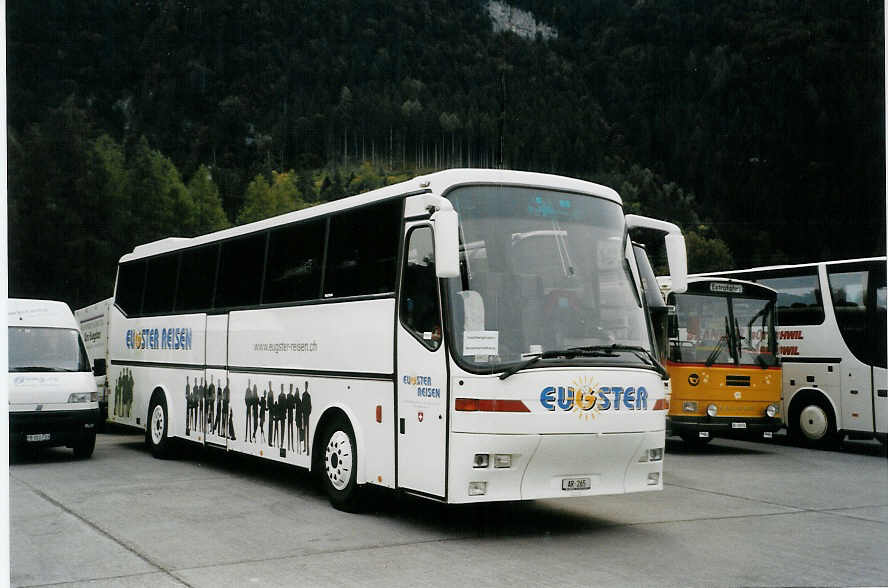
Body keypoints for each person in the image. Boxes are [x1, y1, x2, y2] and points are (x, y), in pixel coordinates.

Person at [301, 381, 312, 456]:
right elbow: (303, 405)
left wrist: (308, 412)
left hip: (306, 415)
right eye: (305, 385)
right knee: (305, 431)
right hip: (304, 415)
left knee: (307, 432)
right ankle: (305, 448)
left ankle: (307, 448)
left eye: (306, 385)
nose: (306, 387)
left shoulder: (307, 395)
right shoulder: (304, 395)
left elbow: (310, 405)